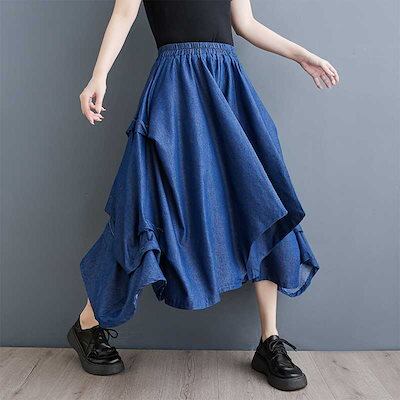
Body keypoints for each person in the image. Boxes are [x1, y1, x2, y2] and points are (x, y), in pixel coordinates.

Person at [68, 0, 339, 391]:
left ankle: (270, 341)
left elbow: (245, 23)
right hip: (176, 88)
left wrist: (301, 55)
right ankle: (87, 324)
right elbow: (123, 15)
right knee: (145, 203)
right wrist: (99, 76)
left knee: (261, 198)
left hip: (227, 84)